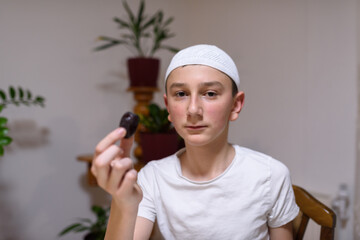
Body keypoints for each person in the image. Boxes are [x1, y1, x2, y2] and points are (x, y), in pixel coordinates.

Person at [91, 44, 299, 240]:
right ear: (168, 107)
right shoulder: (152, 178)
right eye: (180, 94)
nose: (192, 110)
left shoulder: (270, 176)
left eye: (210, 93)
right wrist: (124, 203)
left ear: (236, 105)